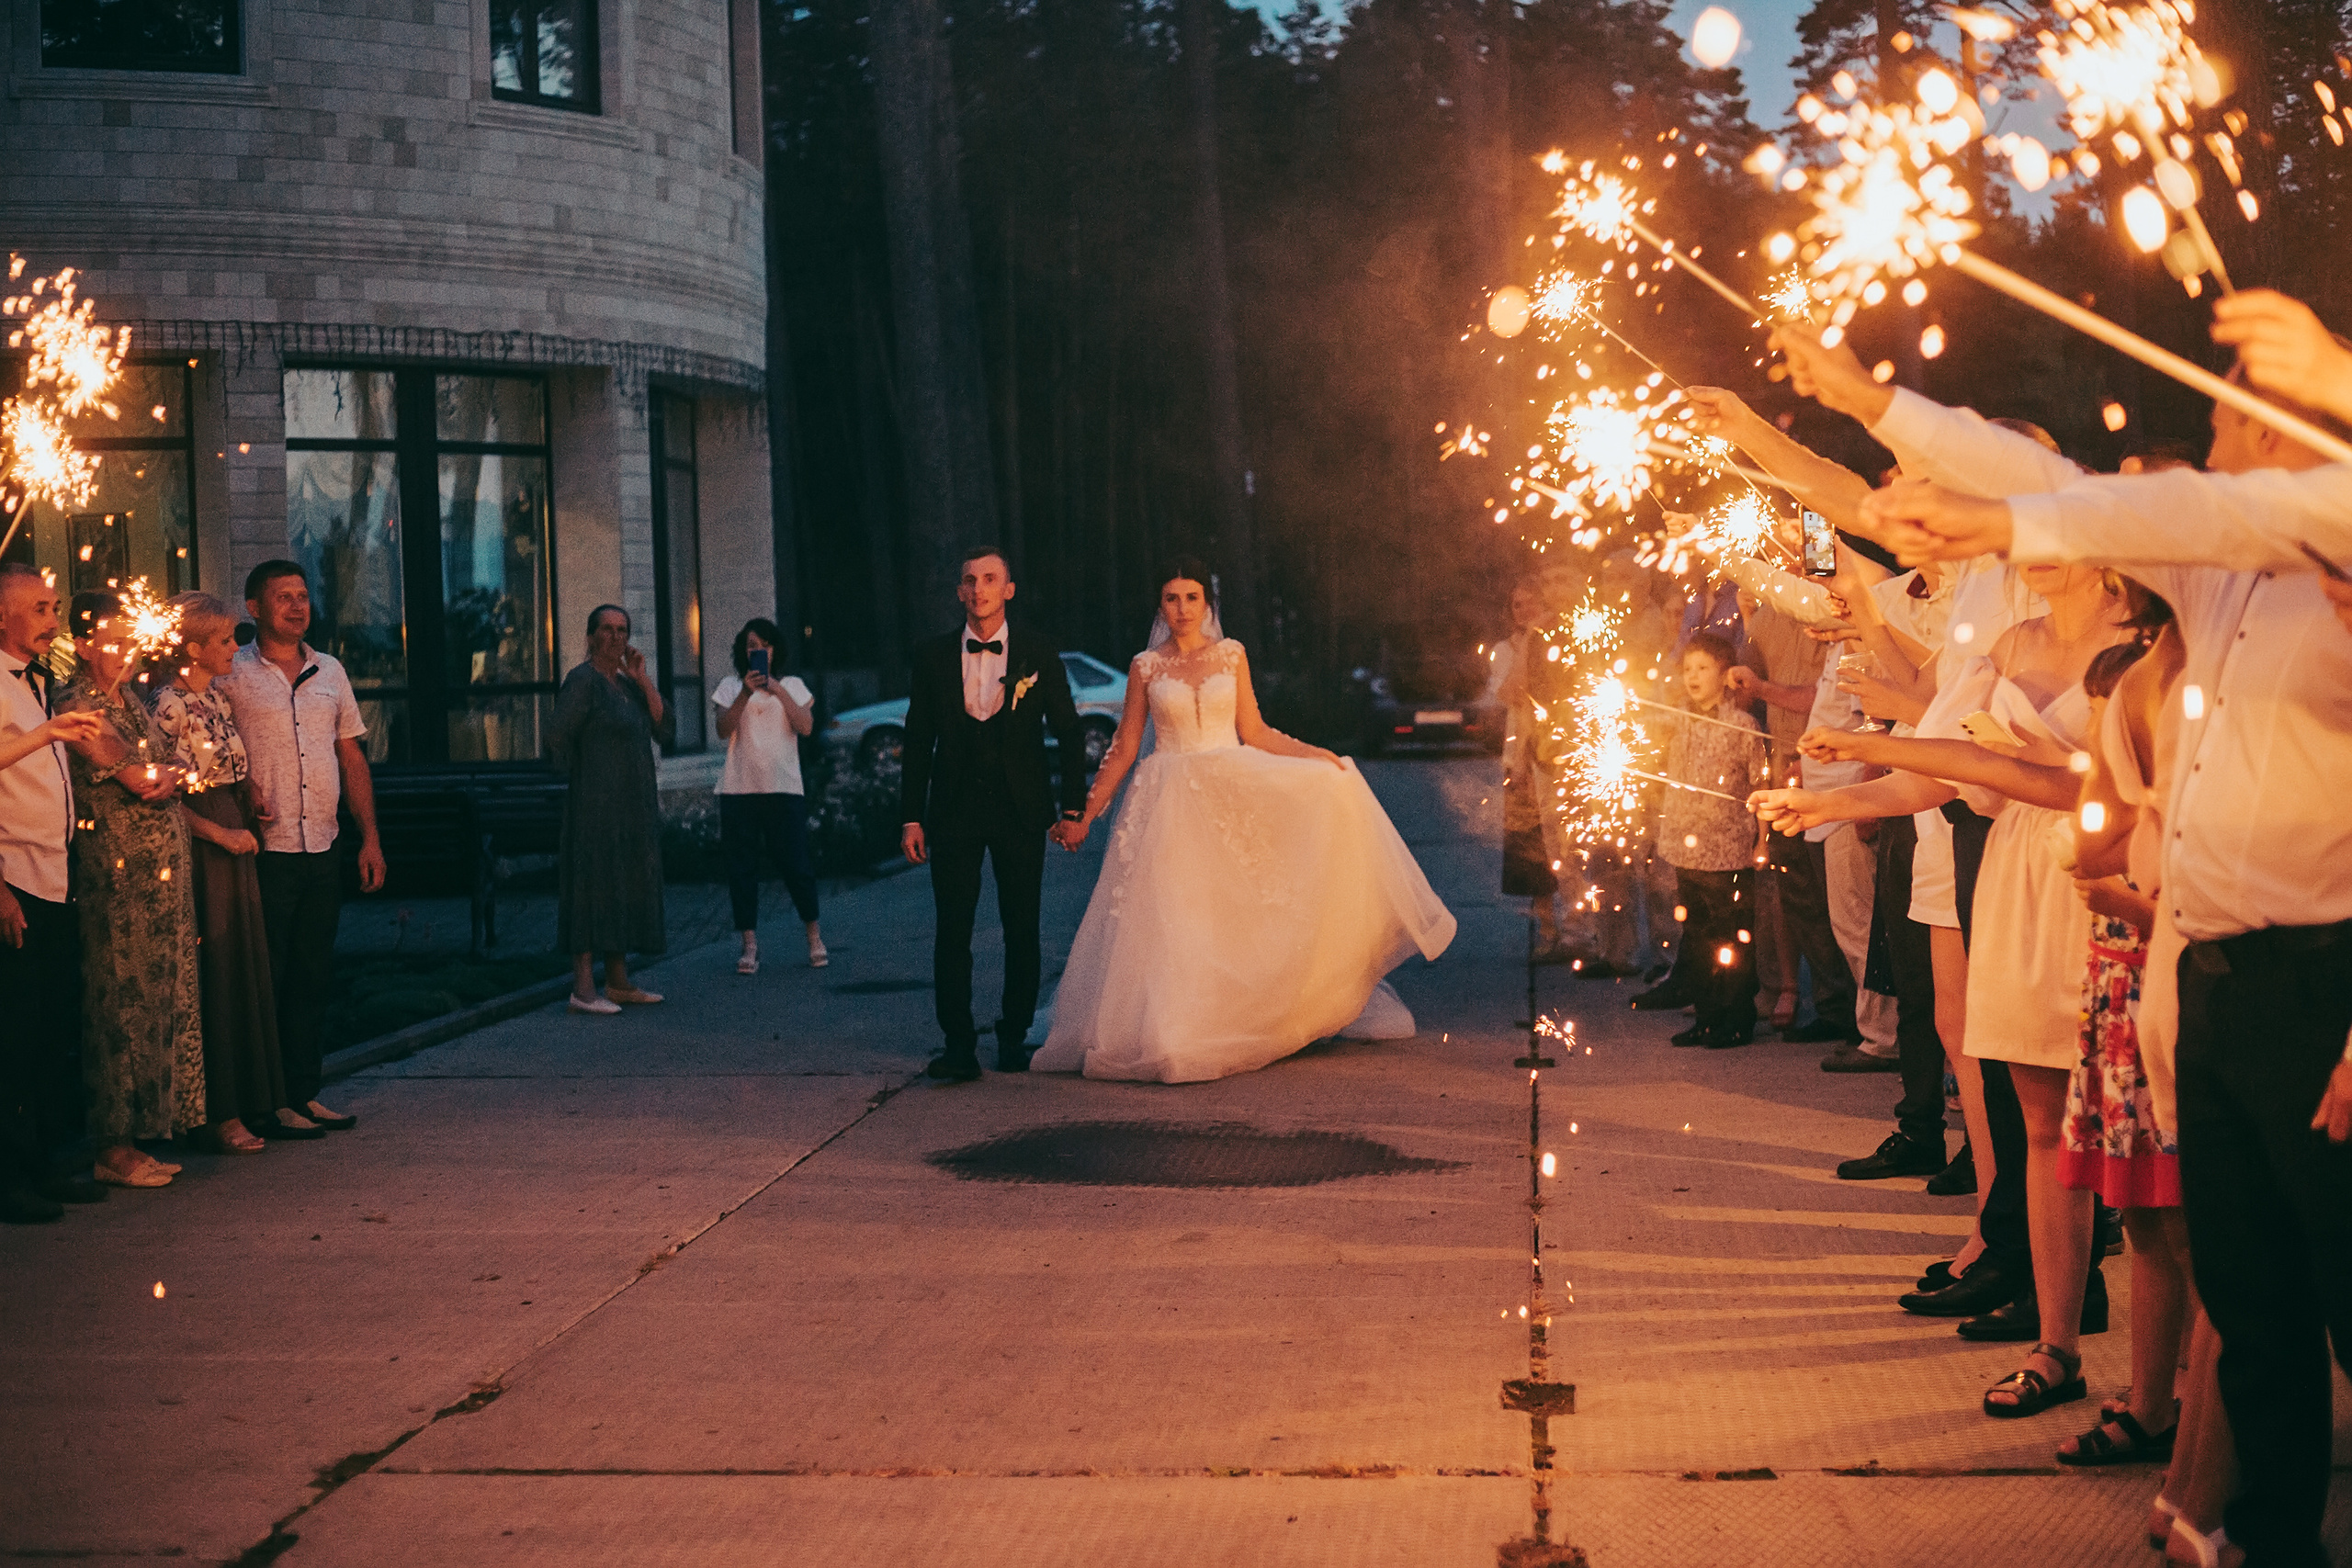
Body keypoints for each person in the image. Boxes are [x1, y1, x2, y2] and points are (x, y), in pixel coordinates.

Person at [1860, 324, 2352, 1568]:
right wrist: (1887, 408)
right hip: (2220, 980)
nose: (2215, 444)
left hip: (2323, 983)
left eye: (2238, 418)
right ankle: (2272, 1535)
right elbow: (2062, 494)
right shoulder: (2222, 578)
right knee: (2256, 1300)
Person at [1031, 560, 1456, 1082]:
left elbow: (1253, 730)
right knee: (1172, 911)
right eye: (1171, 598)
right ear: (1159, 607)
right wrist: (1085, 814)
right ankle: (1170, 1029)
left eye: (1191, 597)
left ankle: (1251, 1010)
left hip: (1230, 788)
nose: (1182, 609)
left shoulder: (1231, 657)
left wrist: (1316, 756)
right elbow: (1122, 749)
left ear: (1207, 605)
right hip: (1165, 799)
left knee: (1236, 906)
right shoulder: (1145, 667)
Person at [898, 547, 1088, 1081]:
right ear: (959, 593)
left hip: (1020, 809)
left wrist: (1073, 807)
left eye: (990, 579)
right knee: (952, 928)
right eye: (969, 581)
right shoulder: (932, 655)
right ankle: (958, 1045)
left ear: (1008, 589)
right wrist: (911, 816)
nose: (978, 589)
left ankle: (1013, 1037)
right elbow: (917, 740)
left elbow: (1070, 732)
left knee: (1021, 926)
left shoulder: (1038, 652)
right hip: (954, 810)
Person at [217, 560, 379, 1134]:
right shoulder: (229, 672)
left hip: (323, 844)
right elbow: (207, 750)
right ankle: (265, 1101)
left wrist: (371, 840)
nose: (296, 605)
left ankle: (303, 1092)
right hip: (264, 849)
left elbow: (351, 756)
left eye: (303, 596)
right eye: (282, 597)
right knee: (267, 977)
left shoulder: (329, 670)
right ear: (254, 608)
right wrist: (243, 787)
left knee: (312, 975)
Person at [55, 592, 204, 1188]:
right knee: (119, 999)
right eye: (113, 639)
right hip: (114, 879)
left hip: (160, 882)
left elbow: (177, 766)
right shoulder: (76, 700)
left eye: (130, 638)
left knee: (158, 996)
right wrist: (156, 775)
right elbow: (139, 774)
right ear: (86, 643)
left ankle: (147, 1128)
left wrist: (164, 774)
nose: (125, 650)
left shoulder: (131, 699)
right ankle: (111, 1141)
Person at [152, 592, 289, 1156]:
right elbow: (161, 795)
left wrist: (250, 793)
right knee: (217, 970)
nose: (236, 647)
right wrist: (220, 833)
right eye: (225, 640)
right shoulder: (168, 705)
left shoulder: (217, 696)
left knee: (242, 965)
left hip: (234, 826)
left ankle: (251, 1095)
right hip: (205, 841)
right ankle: (213, 1110)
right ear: (192, 648)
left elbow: (227, 761)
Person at [0, 564, 108, 1224]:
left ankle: (43, 1161)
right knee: (12, 1034)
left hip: (55, 875)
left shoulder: (45, 680)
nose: (53, 617)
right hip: (13, 879)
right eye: (39, 607)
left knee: (47, 1029)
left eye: (55, 605)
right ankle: (10, 1176)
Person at [554, 604, 674, 1015]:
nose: (615, 637)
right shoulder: (583, 681)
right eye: (606, 629)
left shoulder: (628, 684)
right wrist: (588, 781)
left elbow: (666, 728)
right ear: (590, 637)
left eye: (622, 630)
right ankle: (584, 989)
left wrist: (643, 678)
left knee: (623, 885)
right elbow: (558, 739)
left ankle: (619, 982)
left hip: (633, 808)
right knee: (592, 887)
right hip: (595, 807)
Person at [1649, 632, 1764, 1048]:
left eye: (1703, 668)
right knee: (1697, 937)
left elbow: (1759, 785)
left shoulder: (1743, 725)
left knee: (1729, 938)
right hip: (1686, 846)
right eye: (1687, 669)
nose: (1693, 676)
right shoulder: (1676, 721)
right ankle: (1707, 1015)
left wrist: (1762, 841)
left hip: (1729, 849)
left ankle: (1736, 1018)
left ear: (1724, 673)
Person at [711, 617, 824, 975]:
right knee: (742, 870)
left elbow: (805, 727)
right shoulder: (730, 686)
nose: (756, 651)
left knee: (797, 866)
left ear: (775, 650)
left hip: (783, 789)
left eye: (763, 645)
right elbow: (721, 730)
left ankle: (814, 937)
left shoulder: (792, 685)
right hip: (739, 789)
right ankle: (749, 946)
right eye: (750, 646)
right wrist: (746, 692)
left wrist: (775, 689)